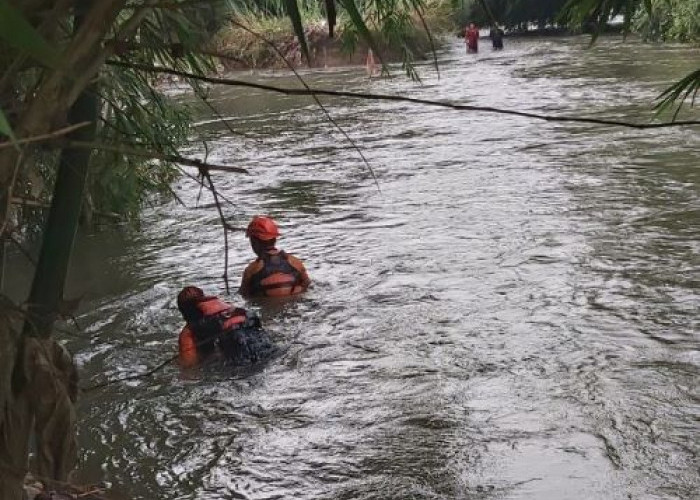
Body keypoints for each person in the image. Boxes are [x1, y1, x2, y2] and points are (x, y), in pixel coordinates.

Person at [177, 286, 275, 368]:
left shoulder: (188, 332)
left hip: (240, 361)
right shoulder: (233, 309)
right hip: (267, 347)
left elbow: (189, 365)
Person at [239, 216, 311, 298]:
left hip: (266, 307)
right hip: (294, 305)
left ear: (254, 241)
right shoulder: (296, 262)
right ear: (275, 239)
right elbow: (307, 285)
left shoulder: (251, 270)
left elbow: (243, 295)